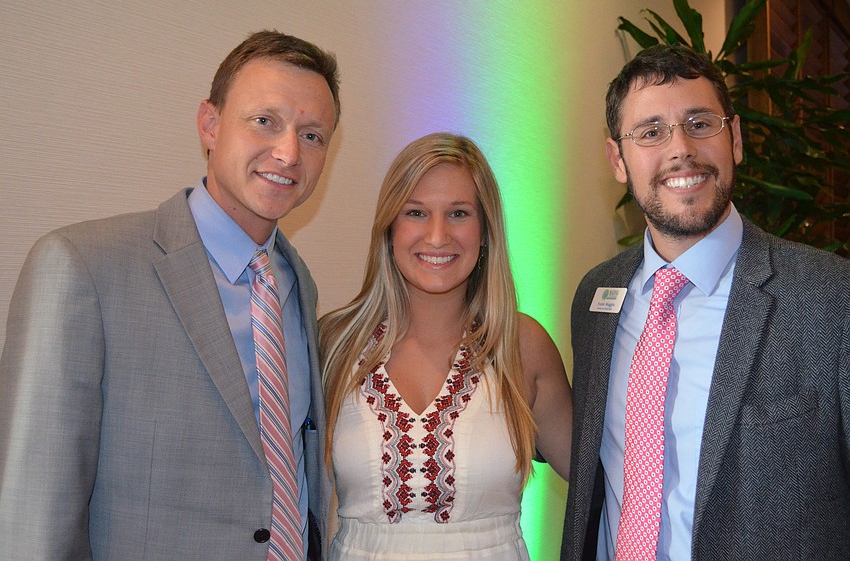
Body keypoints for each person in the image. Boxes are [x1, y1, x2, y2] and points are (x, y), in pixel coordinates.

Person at [0, 30, 340, 560]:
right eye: (265, 121)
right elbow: (31, 520)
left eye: (313, 135)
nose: (289, 151)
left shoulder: (296, 284)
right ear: (210, 124)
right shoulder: (84, 267)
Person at [561, 44, 850, 561]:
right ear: (617, 160)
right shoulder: (595, 300)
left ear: (734, 139)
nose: (680, 150)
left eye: (699, 123)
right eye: (650, 132)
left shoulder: (831, 299)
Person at [319, 132, 573, 560]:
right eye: (416, 212)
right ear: (389, 227)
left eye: (459, 213)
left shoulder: (522, 344)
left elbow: (607, 486)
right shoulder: (335, 342)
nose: (437, 236)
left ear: (485, 229)